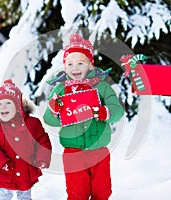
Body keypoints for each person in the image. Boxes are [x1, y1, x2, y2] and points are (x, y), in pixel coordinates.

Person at [43, 33, 124, 200]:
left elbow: (117, 110)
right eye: (70, 64)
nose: (75, 68)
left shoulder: (101, 87)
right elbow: (48, 119)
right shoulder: (60, 90)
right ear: (65, 67)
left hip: (98, 150)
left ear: (90, 65)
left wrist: (106, 112)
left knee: (102, 191)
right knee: (76, 193)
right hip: (73, 152)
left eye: (81, 63)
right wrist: (54, 110)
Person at [0, 79, 52, 200]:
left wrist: (42, 158)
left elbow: (42, 141)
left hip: (25, 171)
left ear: (18, 106)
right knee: (3, 197)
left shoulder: (32, 124)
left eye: (8, 103)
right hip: (2, 172)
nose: (3, 107)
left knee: (25, 196)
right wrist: (1, 162)